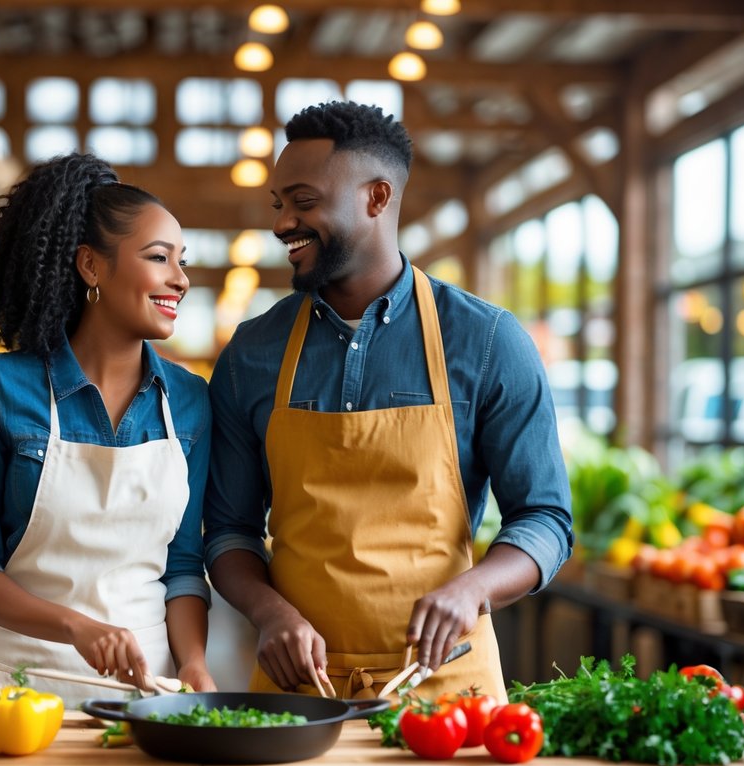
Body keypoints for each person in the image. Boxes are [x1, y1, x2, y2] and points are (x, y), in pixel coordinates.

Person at [203, 101, 573, 702]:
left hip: (449, 689)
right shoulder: (253, 353)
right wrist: (268, 612)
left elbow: (545, 519)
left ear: (377, 198)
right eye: (279, 204)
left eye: (303, 201)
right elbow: (229, 531)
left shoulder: (486, 342)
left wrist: (472, 589)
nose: (281, 223)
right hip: (298, 691)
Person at [0, 153, 214, 702]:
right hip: (13, 688)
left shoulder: (188, 401)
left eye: (181, 260)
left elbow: (184, 567)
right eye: (159, 257)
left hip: (150, 691)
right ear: (90, 266)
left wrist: (195, 663)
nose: (180, 280)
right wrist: (76, 627)